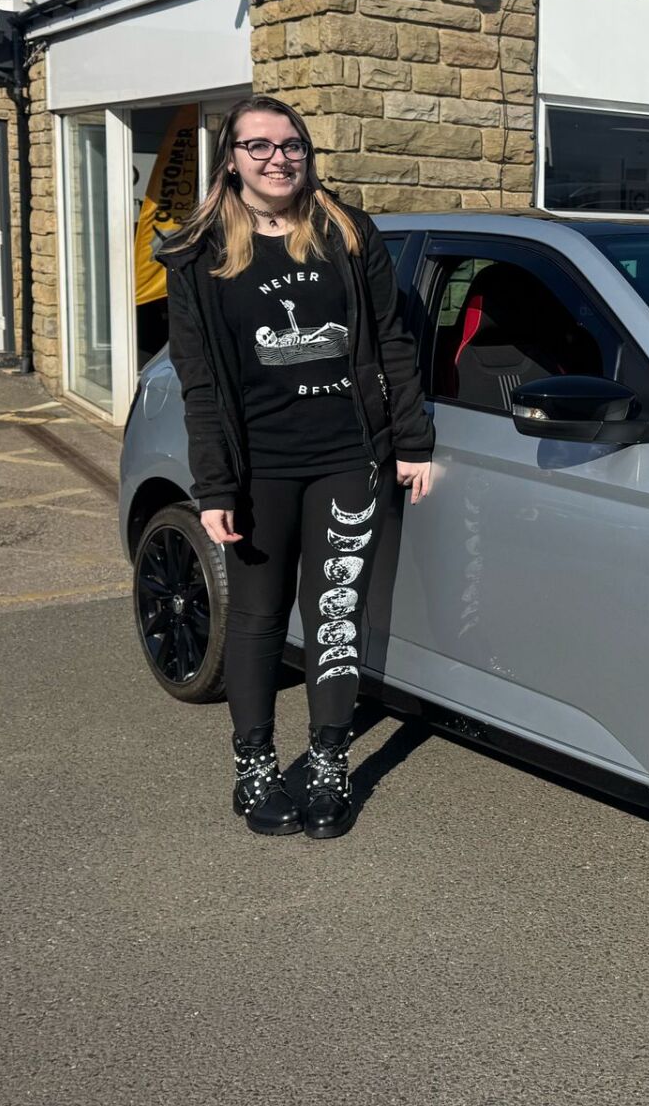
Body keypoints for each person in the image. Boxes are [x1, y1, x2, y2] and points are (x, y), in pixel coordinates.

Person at [160, 94, 433, 839]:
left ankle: (328, 763)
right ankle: (254, 769)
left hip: (350, 459)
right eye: (260, 147)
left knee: (336, 614)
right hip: (260, 468)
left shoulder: (347, 232)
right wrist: (213, 482)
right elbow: (201, 382)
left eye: (292, 145)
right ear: (232, 158)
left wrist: (412, 441)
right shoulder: (197, 255)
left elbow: (393, 341)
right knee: (254, 618)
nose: (279, 159)